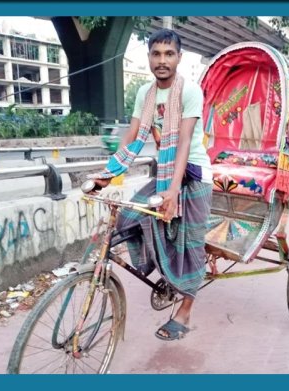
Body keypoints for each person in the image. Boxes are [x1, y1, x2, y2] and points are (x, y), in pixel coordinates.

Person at [88, 29, 212, 341]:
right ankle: (163, 272)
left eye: (169, 54)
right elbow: (131, 137)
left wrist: (171, 190)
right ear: (149, 59)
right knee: (129, 219)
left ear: (179, 58)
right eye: (156, 54)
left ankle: (185, 310)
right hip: (167, 170)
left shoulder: (190, 91)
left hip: (194, 172)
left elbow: (184, 142)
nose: (162, 60)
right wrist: (107, 173)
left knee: (191, 246)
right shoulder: (145, 93)